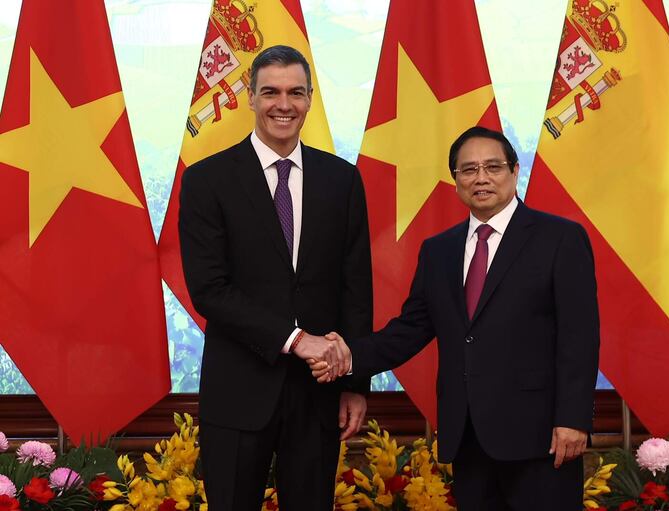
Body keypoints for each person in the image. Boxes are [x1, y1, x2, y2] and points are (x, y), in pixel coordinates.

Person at [314, 126, 600, 510]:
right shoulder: (439, 251)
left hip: (542, 438)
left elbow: (579, 338)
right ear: (456, 180)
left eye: (493, 167)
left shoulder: (560, 238)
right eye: (469, 169)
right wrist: (347, 356)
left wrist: (573, 419)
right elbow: (411, 329)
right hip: (468, 438)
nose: (481, 178)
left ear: (515, 171)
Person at [178, 45, 373, 511]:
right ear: (251, 97)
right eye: (270, 92)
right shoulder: (207, 180)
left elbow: (356, 289)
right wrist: (295, 340)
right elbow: (209, 289)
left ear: (310, 99)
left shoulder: (342, 180)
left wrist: (355, 383)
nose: (283, 105)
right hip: (238, 391)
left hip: (319, 394)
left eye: (295, 93)